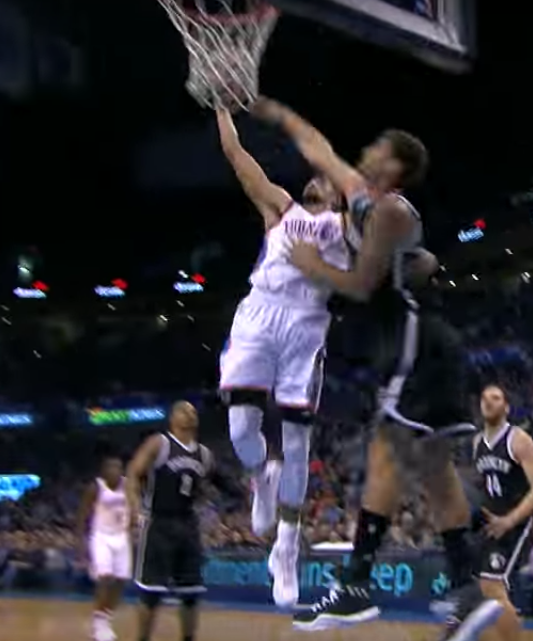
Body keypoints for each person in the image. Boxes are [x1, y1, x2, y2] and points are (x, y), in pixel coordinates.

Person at [251, 97, 500, 641]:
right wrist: (277, 113)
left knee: (389, 453)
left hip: (416, 343)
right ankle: (465, 589)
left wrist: (311, 264)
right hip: (414, 343)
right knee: (431, 468)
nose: (362, 155)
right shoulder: (366, 201)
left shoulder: (391, 210)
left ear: (393, 166)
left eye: (374, 150)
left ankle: (360, 585)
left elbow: (362, 285)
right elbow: (320, 150)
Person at [214, 108, 347, 607]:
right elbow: (237, 156)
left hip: (306, 326)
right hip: (259, 314)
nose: (318, 184)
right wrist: (222, 109)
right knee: (241, 431)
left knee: (296, 443)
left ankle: (286, 549)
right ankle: (260, 476)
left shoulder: (345, 227)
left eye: (326, 182)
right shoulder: (281, 209)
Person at [125, 402, 213, 641]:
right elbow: (133, 473)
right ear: (173, 418)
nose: (190, 414)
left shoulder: (204, 454)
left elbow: (204, 487)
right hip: (159, 523)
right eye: (184, 411)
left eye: (194, 411)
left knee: (191, 593)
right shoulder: (160, 443)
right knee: (151, 594)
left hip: (188, 524)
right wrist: (135, 509)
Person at [470, 385, 533, 641]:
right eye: (484, 398)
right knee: (486, 588)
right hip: (493, 521)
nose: (488, 402)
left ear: (507, 407)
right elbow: (487, 487)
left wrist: (511, 520)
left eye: (495, 398)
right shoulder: (476, 442)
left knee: (492, 586)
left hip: (519, 521)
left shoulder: (518, 439)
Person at [77, 455, 132, 641]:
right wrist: (81, 544)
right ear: (104, 471)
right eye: (111, 467)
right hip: (100, 536)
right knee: (105, 578)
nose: (115, 470)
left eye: (118, 466)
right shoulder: (95, 488)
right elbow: (82, 516)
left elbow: (135, 507)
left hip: (121, 537)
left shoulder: (128, 486)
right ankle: (99, 624)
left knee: (121, 580)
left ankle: (106, 618)